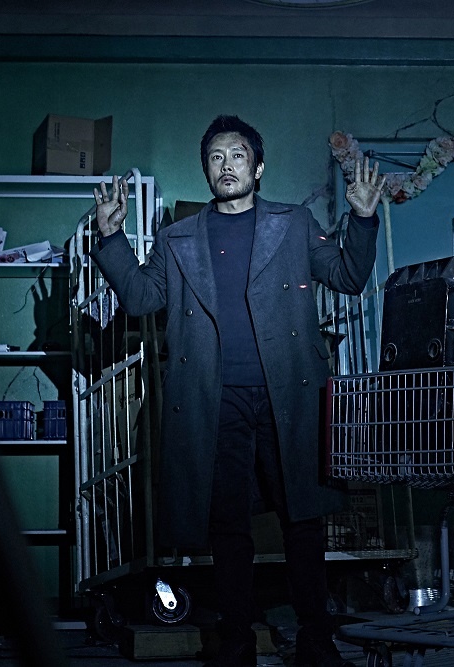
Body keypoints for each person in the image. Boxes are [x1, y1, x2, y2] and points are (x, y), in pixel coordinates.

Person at [91, 115, 386, 667]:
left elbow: (348, 276)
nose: (227, 165)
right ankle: (236, 643)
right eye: (216, 157)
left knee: (303, 521)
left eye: (238, 155)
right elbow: (140, 298)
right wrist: (111, 239)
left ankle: (316, 640)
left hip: (287, 395)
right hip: (214, 398)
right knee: (227, 527)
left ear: (259, 166)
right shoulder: (177, 238)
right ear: (205, 170)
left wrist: (363, 220)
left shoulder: (294, 224)